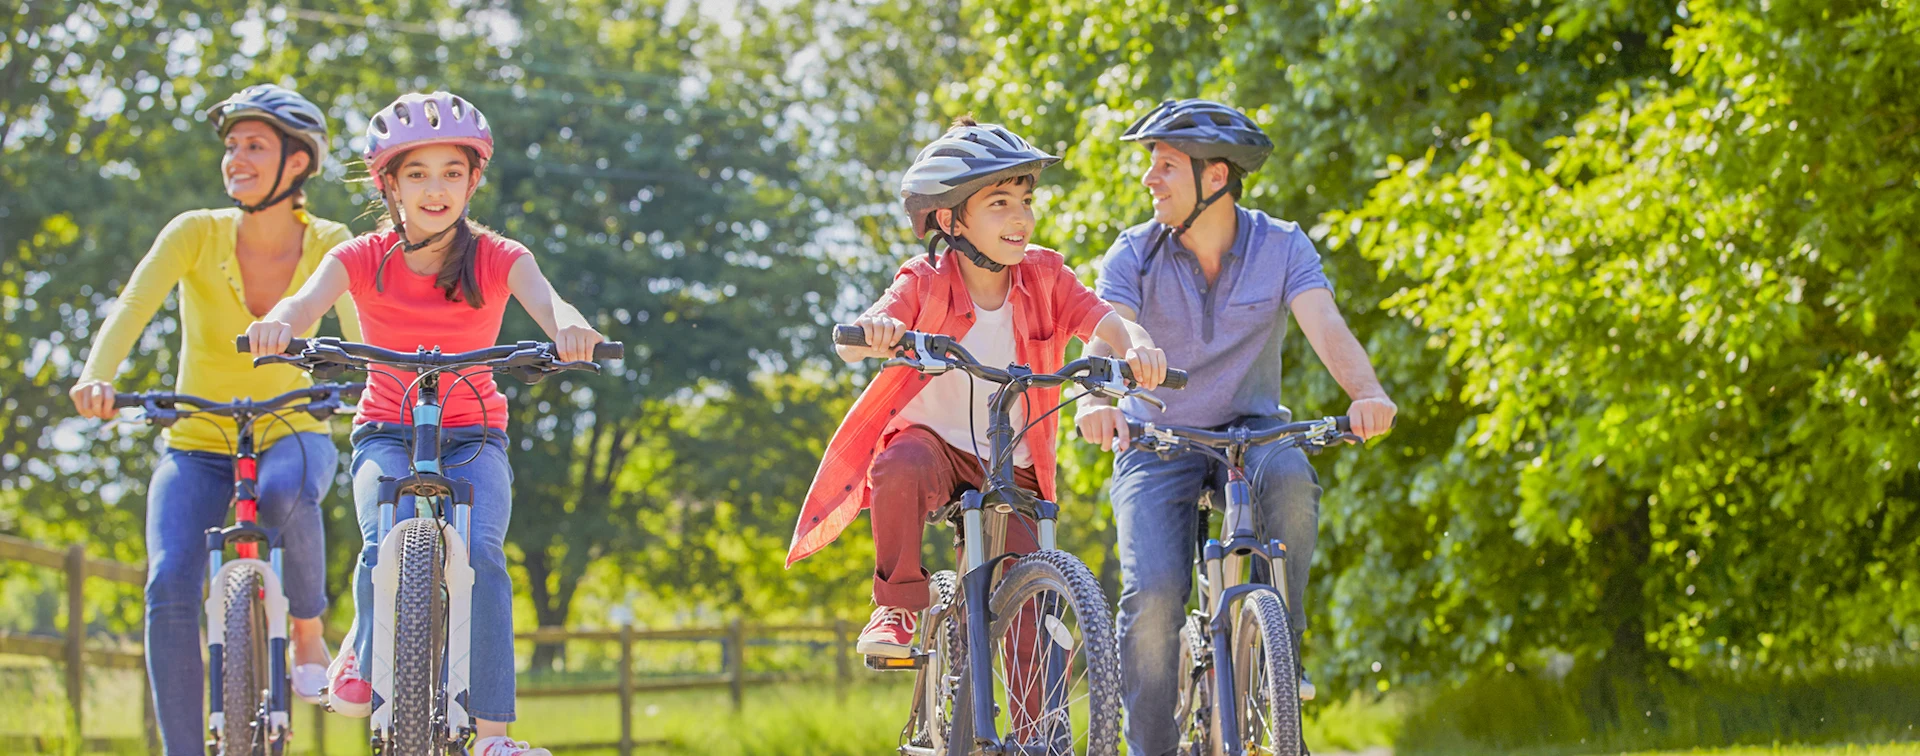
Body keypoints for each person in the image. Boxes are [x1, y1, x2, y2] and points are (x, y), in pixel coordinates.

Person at [244, 91, 605, 756]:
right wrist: (280, 325)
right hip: (386, 428)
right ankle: (364, 646)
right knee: (382, 532)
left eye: (451, 172)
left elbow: (551, 303)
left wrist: (570, 329)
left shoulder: (497, 255)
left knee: (487, 559)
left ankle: (495, 735)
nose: (435, 189)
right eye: (417, 173)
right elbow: (303, 302)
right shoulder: (360, 255)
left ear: (474, 180)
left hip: (474, 435)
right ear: (388, 183)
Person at [1073, 99, 1398, 755]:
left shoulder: (1281, 245)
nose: (1149, 180)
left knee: (1294, 487)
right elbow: (1106, 334)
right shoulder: (1134, 252)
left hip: (1252, 434)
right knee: (1157, 593)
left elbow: (1326, 326)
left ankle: (1281, 650)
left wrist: (1366, 392)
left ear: (1214, 177)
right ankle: (1151, 748)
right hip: (1157, 442)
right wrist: (1093, 402)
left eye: (1165, 165)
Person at [784, 117, 1168, 658]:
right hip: (936, 451)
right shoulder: (922, 281)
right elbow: (852, 342)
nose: (1022, 218)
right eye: (1000, 203)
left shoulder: (1046, 277)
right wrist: (877, 333)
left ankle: (1042, 739)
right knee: (899, 463)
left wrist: (1138, 345)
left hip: (1013, 460)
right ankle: (897, 605)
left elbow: (1107, 321)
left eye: (1026, 201)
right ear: (950, 220)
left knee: (1030, 615)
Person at [67, 83, 357, 754]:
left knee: (287, 492)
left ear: (298, 162)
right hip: (196, 441)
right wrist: (96, 375)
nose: (236, 158)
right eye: (231, 146)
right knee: (169, 583)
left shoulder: (332, 243)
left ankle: (308, 628)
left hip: (294, 429)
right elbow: (133, 305)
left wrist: (381, 391)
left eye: (255, 145)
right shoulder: (194, 233)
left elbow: (362, 331)